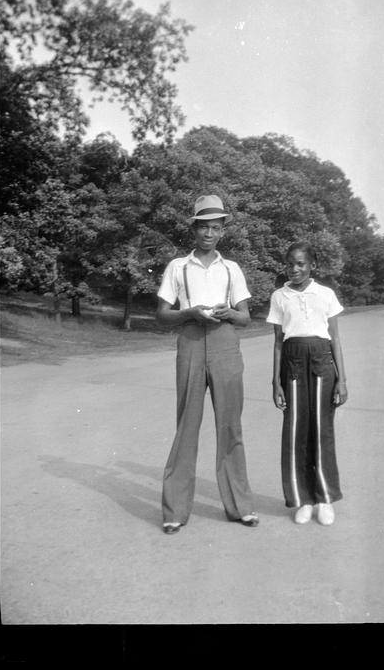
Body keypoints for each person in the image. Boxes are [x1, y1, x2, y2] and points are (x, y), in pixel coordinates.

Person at [156, 194, 259, 534]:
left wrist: (229, 313)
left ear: (222, 232)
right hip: (190, 339)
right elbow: (162, 314)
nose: (209, 234)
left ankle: (240, 506)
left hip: (225, 342)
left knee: (230, 425)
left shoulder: (231, 269)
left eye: (216, 228)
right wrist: (188, 312)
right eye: (203, 227)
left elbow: (245, 317)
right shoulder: (178, 267)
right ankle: (175, 510)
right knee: (187, 424)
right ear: (194, 228)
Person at [267, 241, 348, 526]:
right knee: (295, 431)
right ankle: (303, 499)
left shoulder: (325, 294)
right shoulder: (279, 296)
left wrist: (342, 379)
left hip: (322, 363)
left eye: (301, 263)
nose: (295, 268)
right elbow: (278, 342)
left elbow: (335, 339)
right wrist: (275, 382)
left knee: (321, 429)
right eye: (290, 263)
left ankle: (324, 498)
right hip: (292, 363)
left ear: (312, 265)